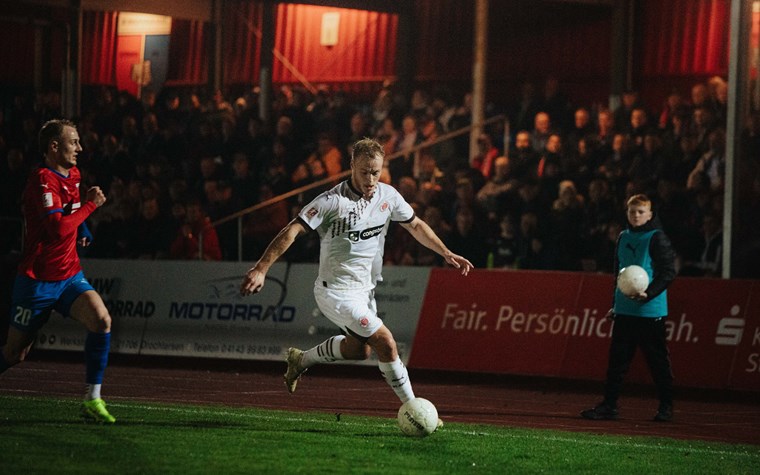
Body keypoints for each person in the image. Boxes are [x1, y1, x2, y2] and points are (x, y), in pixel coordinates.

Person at [239, 138, 473, 424]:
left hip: (365, 292)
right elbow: (292, 230)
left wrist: (445, 252)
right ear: (351, 166)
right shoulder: (331, 201)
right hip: (335, 292)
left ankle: (301, 360)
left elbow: (415, 224)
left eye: (376, 172)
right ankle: (415, 410)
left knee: (360, 350)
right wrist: (262, 268)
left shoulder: (388, 196)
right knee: (386, 342)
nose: (371, 179)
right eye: (365, 172)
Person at [0, 119, 116, 423]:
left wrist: (84, 226)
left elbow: (72, 209)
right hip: (36, 281)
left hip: (68, 276)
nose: (79, 148)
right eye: (73, 142)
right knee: (14, 355)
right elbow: (54, 230)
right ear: (54, 146)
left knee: (102, 320)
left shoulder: (73, 174)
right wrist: (91, 208)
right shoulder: (41, 180)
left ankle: (92, 399)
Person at [581, 194, 677, 422]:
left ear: (650, 215)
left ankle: (666, 406)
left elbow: (668, 272)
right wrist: (615, 305)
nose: (636, 216)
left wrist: (649, 294)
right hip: (625, 311)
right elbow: (619, 274)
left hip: (649, 311)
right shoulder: (623, 237)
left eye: (641, 212)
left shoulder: (657, 238)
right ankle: (609, 405)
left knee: (657, 361)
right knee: (617, 362)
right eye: (632, 212)